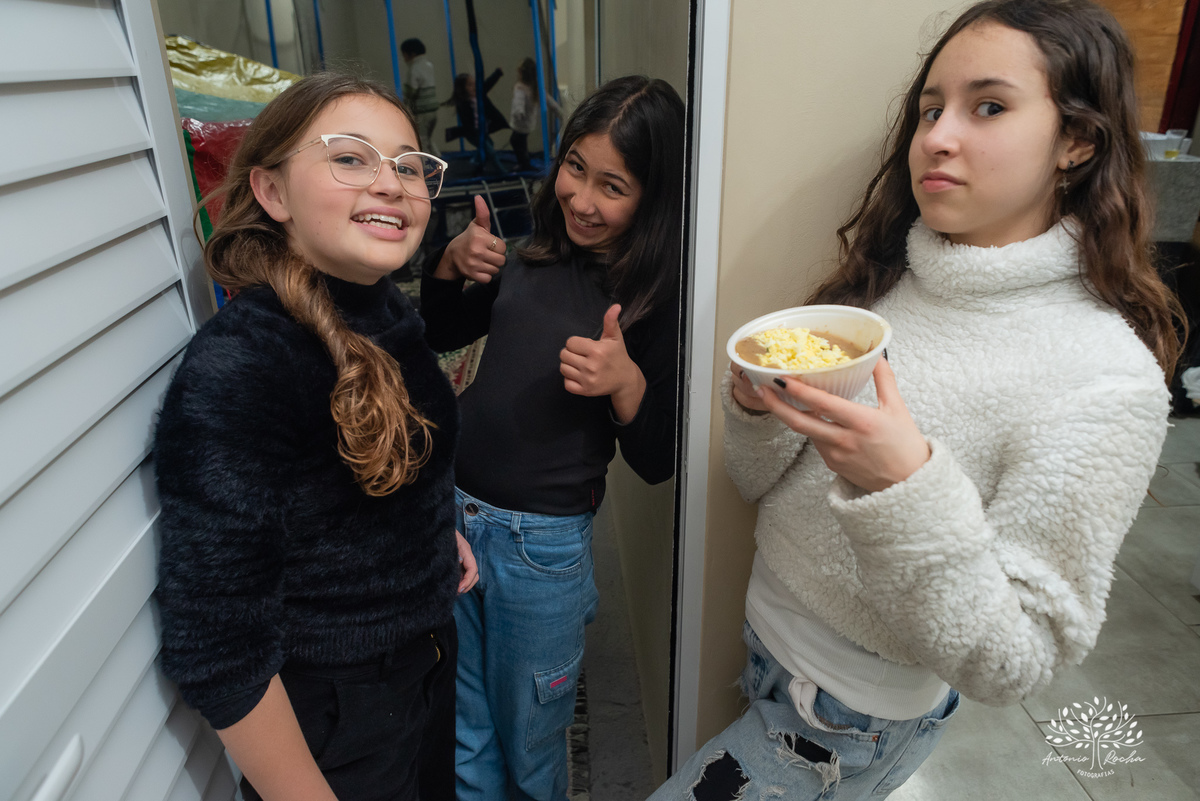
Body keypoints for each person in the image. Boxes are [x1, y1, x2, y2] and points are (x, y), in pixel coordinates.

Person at [652, 1, 1182, 798]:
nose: (936, 135)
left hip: (845, 719)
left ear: (1078, 142)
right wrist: (756, 414)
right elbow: (757, 481)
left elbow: (1014, 659)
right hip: (769, 647)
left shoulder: (1104, 373)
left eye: (990, 107)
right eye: (931, 108)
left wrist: (903, 485)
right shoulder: (885, 290)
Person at [154, 73, 476, 801]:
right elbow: (218, 647)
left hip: (425, 664)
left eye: (408, 163)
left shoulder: (385, 308)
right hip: (339, 715)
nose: (392, 182)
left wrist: (427, 531)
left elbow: (367, 474)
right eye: (351, 157)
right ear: (271, 194)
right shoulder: (244, 365)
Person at [420, 75, 686, 800]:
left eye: (613, 186)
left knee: (533, 738)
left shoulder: (652, 302)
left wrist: (626, 383)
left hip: (542, 551)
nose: (583, 200)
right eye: (575, 168)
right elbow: (439, 332)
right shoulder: (534, 256)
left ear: (652, 198)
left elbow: (658, 461)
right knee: (467, 726)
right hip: (460, 523)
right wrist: (446, 266)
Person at [445, 69, 510, 174]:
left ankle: (475, 161)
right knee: (491, 152)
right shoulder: (463, 104)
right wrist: (475, 132)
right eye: (470, 85)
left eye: (474, 84)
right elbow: (467, 123)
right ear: (463, 89)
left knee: (489, 145)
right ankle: (503, 172)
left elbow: (488, 84)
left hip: (482, 130)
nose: (474, 87)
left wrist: (497, 74)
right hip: (473, 133)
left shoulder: (479, 95)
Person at [510, 57, 562, 171]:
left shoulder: (521, 87)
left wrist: (519, 114)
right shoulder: (536, 88)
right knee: (519, 142)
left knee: (516, 142)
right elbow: (551, 102)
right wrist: (560, 112)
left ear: (521, 73)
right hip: (529, 123)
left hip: (521, 123)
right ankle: (524, 162)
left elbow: (518, 103)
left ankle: (524, 164)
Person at [401, 37, 441, 157]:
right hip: (433, 111)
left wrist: (405, 105)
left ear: (411, 54)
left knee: (421, 141)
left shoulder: (414, 68)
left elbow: (411, 92)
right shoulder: (429, 65)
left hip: (422, 112)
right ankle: (439, 161)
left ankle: (428, 170)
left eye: (404, 55)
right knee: (428, 139)